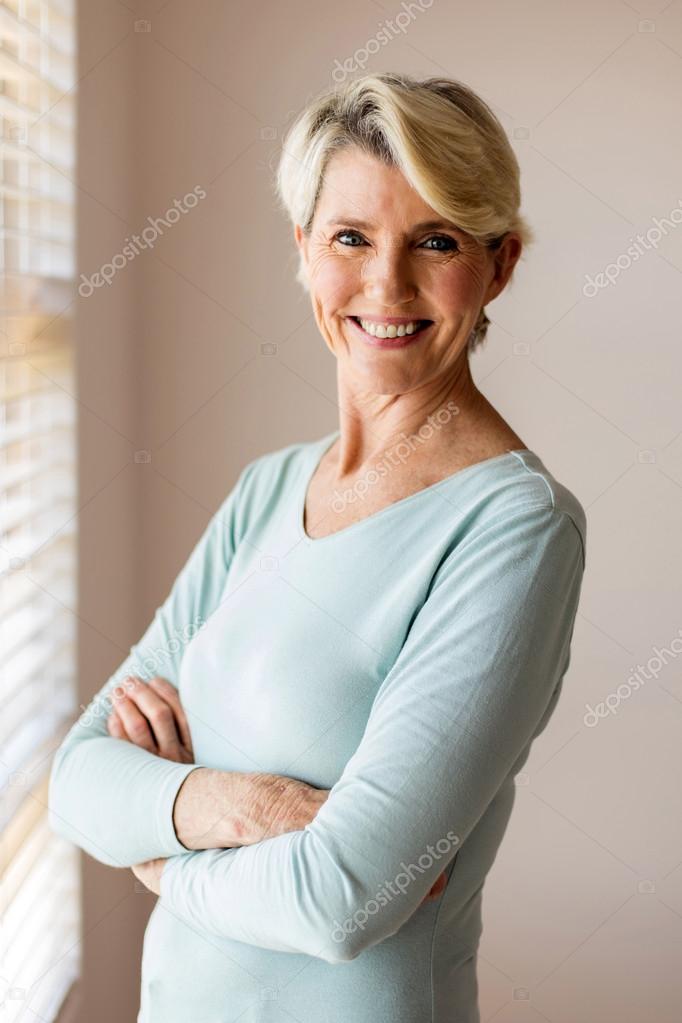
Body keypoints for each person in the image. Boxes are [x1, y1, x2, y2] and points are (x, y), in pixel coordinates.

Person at [48, 72, 587, 1023]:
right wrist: (247, 808)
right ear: (304, 251)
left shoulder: (516, 528)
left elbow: (349, 896)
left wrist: (161, 856)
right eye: (351, 237)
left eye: (436, 241)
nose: (388, 284)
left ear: (498, 265)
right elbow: (79, 778)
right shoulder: (269, 488)